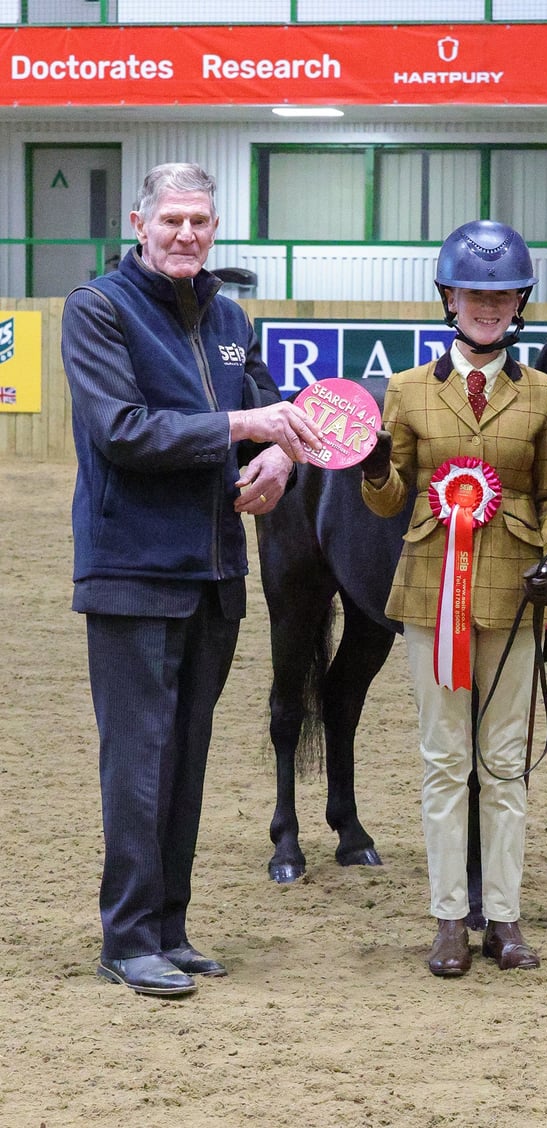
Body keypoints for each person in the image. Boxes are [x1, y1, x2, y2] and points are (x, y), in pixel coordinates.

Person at [61, 162, 323, 998]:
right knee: (138, 762)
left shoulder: (230, 315)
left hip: (214, 571)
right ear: (138, 223)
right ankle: (126, 936)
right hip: (132, 571)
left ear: (215, 229)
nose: (186, 234)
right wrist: (247, 425)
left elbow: (273, 408)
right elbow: (124, 432)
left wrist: (280, 455)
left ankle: (169, 927)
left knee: (186, 759)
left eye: (200, 221)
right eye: (171, 219)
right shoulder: (97, 310)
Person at [360, 220, 547, 977]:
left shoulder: (545, 396)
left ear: (520, 302)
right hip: (431, 595)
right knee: (444, 761)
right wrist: (375, 467)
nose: (487, 306)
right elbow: (390, 504)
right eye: (473, 293)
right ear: (449, 298)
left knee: (504, 762)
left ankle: (507, 920)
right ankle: (451, 918)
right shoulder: (407, 390)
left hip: (517, 596)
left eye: (502, 295)